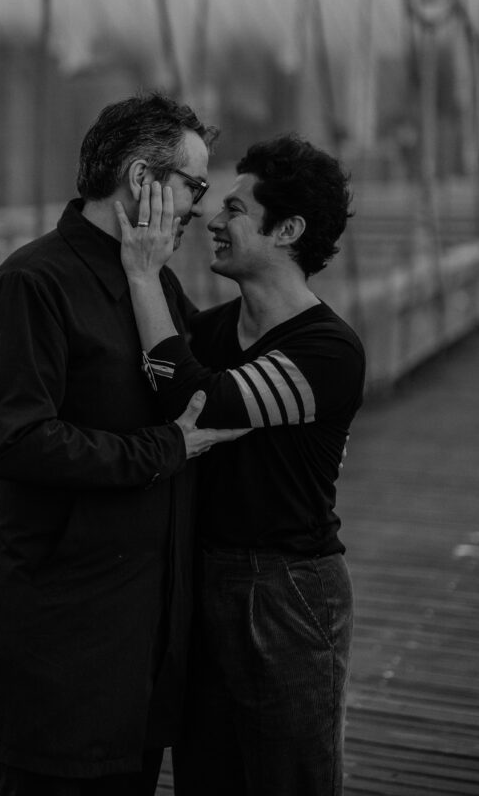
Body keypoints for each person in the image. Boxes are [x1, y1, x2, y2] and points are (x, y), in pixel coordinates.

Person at [0, 92, 247, 796]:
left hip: (140, 651)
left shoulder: (150, 285)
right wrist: (164, 449)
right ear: (140, 180)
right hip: (66, 652)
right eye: (194, 186)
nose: (199, 208)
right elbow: (13, 439)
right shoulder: (32, 284)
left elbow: (202, 385)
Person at [116, 134, 366, 796]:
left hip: (287, 592)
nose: (210, 219)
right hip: (203, 580)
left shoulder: (328, 352)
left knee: (287, 782)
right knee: (207, 779)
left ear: (287, 229)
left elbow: (202, 401)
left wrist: (143, 275)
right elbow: (163, 364)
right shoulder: (213, 332)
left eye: (234, 209)